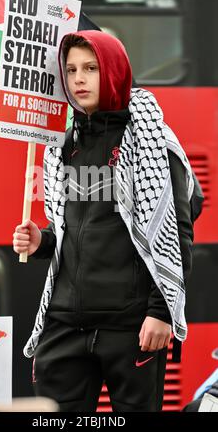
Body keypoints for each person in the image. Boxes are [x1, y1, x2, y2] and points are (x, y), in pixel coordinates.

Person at [13, 30, 194, 412]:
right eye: (72, 70)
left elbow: (174, 233)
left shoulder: (152, 140)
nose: (78, 79)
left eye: (91, 68)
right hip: (64, 323)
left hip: (130, 329)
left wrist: (161, 313)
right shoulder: (63, 143)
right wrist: (42, 241)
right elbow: (72, 229)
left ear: (113, 70)